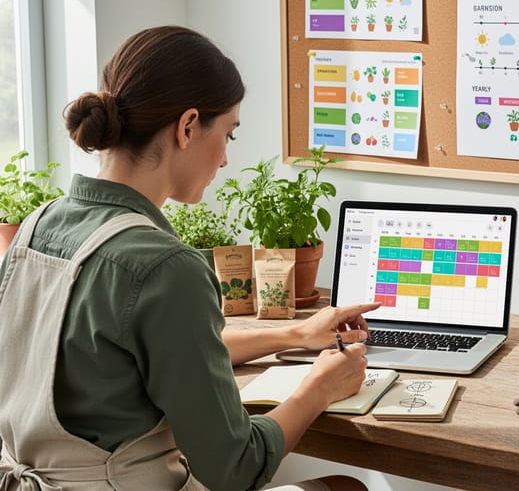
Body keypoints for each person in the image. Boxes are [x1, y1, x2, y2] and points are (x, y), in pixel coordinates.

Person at [0, 26, 376, 491]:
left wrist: (295, 334)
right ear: (188, 125)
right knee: (348, 488)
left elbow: (153, 351)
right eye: (229, 135)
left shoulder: (37, 225)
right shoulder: (165, 266)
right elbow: (236, 468)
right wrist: (320, 386)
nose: (223, 161)